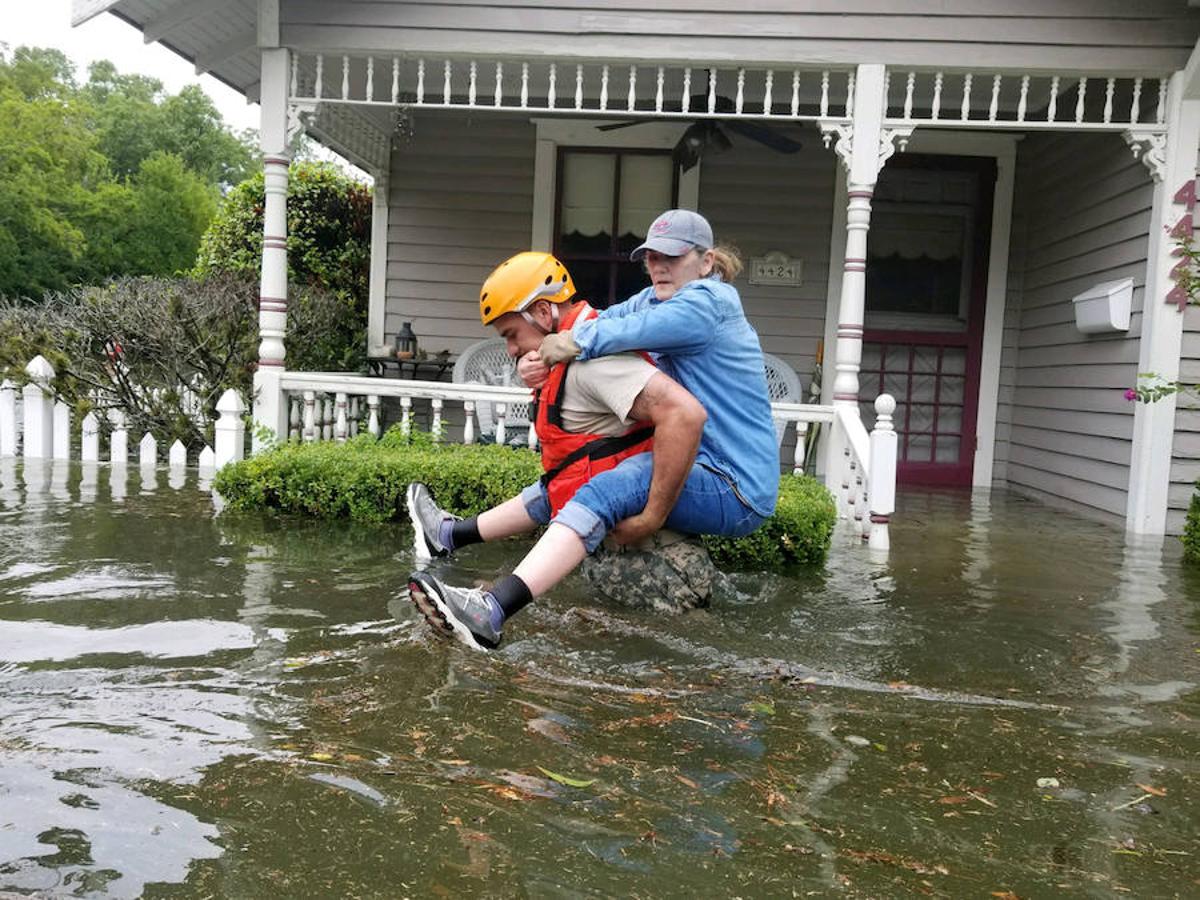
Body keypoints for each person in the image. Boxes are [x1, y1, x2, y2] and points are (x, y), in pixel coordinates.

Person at [406, 251, 708, 650]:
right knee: (566, 479)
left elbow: (684, 413)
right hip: (629, 560)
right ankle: (448, 536)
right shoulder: (571, 353)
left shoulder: (597, 364)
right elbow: (572, 467)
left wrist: (652, 516)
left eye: (511, 334)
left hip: (660, 572)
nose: (511, 349)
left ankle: (489, 609)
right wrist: (531, 369)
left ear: (544, 313)